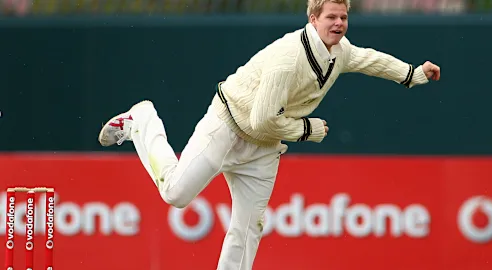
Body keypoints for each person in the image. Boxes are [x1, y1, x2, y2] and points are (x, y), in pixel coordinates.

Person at [97, 0, 441, 269]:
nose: (338, 24)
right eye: (331, 18)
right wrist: (307, 130)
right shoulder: (288, 59)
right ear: (313, 19)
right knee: (175, 193)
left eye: (343, 17)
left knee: (248, 229)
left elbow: (369, 60)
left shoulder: (341, 51)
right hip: (229, 125)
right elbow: (262, 119)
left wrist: (413, 74)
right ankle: (141, 120)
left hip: (264, 148)